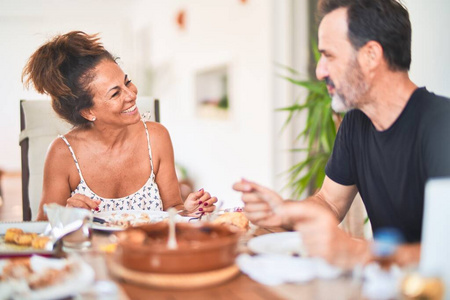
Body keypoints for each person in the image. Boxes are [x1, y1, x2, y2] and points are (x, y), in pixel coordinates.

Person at [233, 0, 450, 268]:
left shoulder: (442, 125)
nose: (319, 70)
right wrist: (283, 212)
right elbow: (329, 203)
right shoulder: (356, 123)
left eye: (329, 56)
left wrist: (360, 252)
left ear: (371, 55)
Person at [22, 31, 217, 221]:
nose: (132, 94)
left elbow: (173, 209)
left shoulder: (157, 137)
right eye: (115, 94)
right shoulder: (62, 153)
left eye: (127, 82)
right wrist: (65, 214)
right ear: (88, 112)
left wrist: (189, 211)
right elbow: (42, 227)